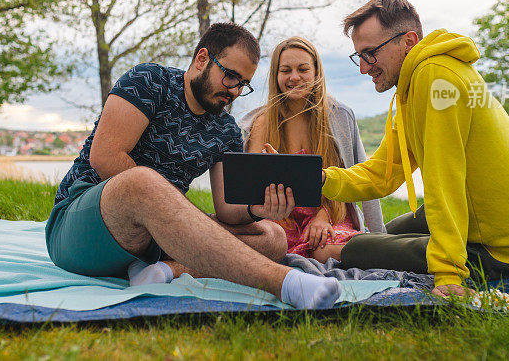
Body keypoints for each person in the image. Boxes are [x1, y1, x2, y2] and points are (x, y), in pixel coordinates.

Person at [46, 23, 341, 309]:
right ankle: (286, 283)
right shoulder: (149, 81)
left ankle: (164, 271)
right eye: (231, 77)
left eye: (244, 84)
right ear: (202, 59)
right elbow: (105, 156)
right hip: (82, 224)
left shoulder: (227, 130)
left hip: (154, 240)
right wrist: (179, 214)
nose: (236, 91)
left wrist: (260, 208)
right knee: (142, 181)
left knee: (272, 237)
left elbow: (227, 209)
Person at [320, 0, 509, 297]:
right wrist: (322, 179)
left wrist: (447, 276)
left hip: (505, 251)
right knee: (384, 233)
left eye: (370, 54)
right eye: (359, 56)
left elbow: (445, 182)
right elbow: (382, 174)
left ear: (408, 40)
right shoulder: (415, 84)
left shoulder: (435, 81)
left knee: (351, 248)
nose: (364, 68)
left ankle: (486, 257)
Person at [240, 37, 385, 262]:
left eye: (303, 69)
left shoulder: (338, 116)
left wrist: (377, 234)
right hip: (279, 217)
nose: (294, 77)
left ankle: (388, 254)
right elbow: (250, 188)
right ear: (276, 76)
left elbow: (357, 177)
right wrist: (274, 173)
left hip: (329, 211)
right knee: (272, 245)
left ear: (316, 72)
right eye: (285, 70)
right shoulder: (261, 122)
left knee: (323, 250)